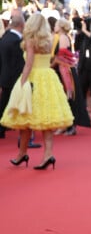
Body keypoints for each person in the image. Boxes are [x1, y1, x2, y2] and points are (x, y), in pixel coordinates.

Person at [1, 13, 73, 169]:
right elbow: (53, 60)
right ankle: (48, 155)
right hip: (48, 78)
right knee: (46, 119)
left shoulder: (30, 41)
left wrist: (21, 82)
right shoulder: (49, 41)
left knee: (25, 118)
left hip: (33, 78)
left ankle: (22, 154)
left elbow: (28, 64)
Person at [0, 12, 27, 140]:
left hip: (5, 76)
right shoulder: (17, 41)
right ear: (22, 25)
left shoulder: (4, 38)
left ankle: (2, 128)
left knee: (4, 103)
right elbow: (19, 63)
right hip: (14, 78)